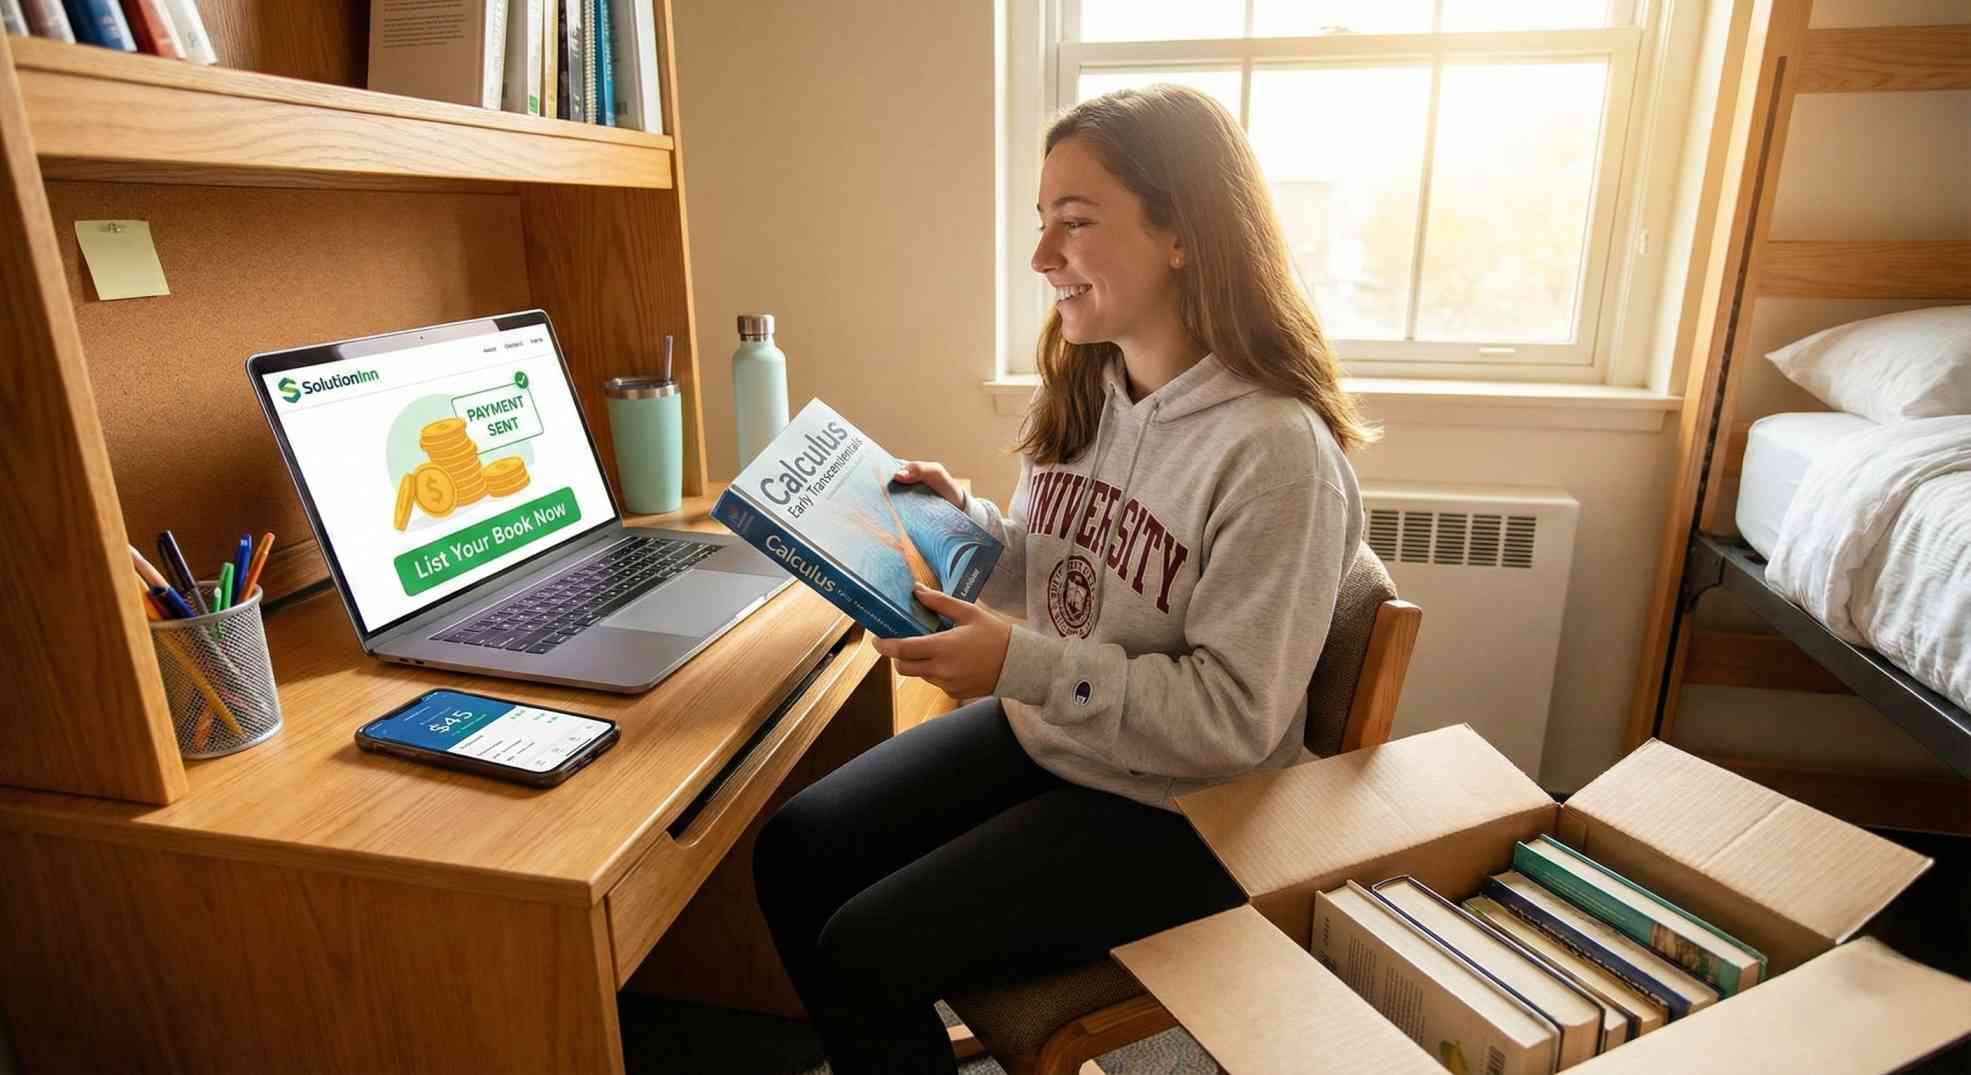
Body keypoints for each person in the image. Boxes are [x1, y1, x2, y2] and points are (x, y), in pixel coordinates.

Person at [751, 84, 1376, 1075]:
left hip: (1186, 812)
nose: (1042, 258)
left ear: (1183, 233)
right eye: (1042, 225)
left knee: (863, 951)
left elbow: (1235, 719)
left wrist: (1021, 665)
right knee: (792, 851)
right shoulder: (1093, 386)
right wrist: (972, 532)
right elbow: (1069, 580)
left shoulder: (1275, 452)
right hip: (1068, 739)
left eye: (1074, 225)